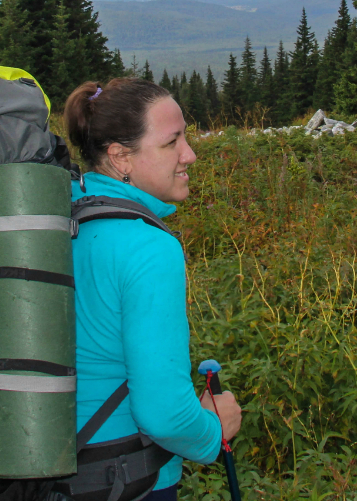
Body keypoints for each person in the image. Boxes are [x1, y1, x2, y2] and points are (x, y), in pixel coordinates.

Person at [63, 78, 243, 501]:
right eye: (172, 143)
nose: (190, 154)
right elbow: (164, 415)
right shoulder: (148, 246)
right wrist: (214, 431)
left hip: (51, 473)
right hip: (124, 478)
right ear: (121, 157)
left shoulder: (60, 219)